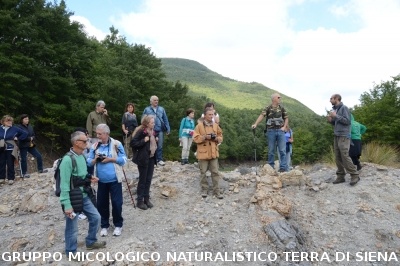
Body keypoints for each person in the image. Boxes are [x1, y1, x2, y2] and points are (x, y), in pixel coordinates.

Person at [59, 131, 105, 257]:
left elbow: (81, 175)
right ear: (76, 143)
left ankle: (91, 242)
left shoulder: (82, 156)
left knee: (96, 217)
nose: (87, 143)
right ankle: (71, 252)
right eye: (85, 141)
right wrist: (66, 204)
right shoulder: (67, 160)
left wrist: (90, 178)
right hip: (72, 198)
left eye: (87, 140)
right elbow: (64, 184)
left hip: (84, 195)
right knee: (72, 227)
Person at [87, 124, 127, 237]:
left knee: (117, 203)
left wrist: (111, 159)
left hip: (115, 180)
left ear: (107, 133)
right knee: (101, 204)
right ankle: (104, 225)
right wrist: (95, 160)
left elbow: (124, 159)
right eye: (97, 133)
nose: (97, 135)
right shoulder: (94, 146)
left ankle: (118, 224)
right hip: (101, 181)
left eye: (100, 134)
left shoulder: (116, 144)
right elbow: (88, 161)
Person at [327, 94, 360, 185]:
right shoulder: (335, 109)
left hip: (344, 135)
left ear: (337, 99)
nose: (330, 100)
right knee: (337, 156)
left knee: (344, 155)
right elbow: (338, 123)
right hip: (337, 135)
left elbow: (347, 121)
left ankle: (354, 175)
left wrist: (335, 116)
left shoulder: (344, 108)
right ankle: (341, 176)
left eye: (331, 99)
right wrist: (331, 120)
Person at [251, 93, 288, 172]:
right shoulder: (268, 108)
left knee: (282, 150)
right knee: (271, 150)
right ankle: (271, 167)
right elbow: (262, 115)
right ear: (274, 98)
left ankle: (283, 167)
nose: (280, 99)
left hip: (280, 131)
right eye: (278, 97)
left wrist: (284, 127)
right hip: (271, 131)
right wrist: (256, 124)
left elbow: (286, 118)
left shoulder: (282, 108)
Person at [193, 107, 223, 199]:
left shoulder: (215, 126)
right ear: (205, 115)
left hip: (213, 152)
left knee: (215, 172)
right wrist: (205, 137)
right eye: (209, 114)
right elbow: (195, 138)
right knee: (203, 172)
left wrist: (217, 139)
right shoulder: (199, 126)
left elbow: (221, 136)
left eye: (212, 114)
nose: (211, 116)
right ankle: (204, 189)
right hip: (203, 153)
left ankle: (216, 191)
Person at [130, 115, 158, 210]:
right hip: (143, 158)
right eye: (152, 122)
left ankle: (146, 198)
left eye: (154, 122)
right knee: (143, 180)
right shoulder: (142, 131)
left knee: (148, 179)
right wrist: (143, 140)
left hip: (151, 157)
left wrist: (155, 140)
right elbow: (133, 143)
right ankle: (140, 201)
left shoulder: (152, 132)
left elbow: (151, 143)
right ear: (146, 123)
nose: (153, 124)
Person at [142, 95, 170, 166]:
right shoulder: (147, 109)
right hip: (150, 130)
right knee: (151, 145)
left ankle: (159, 159)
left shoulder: (161, 109)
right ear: (151, 101)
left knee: (160, 145)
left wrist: (168, 128)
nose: (156, 101)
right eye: (154, 100)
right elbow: (143, 120)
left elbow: (165, 119)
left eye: (157, 100)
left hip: (159, 129)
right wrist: (144, 129)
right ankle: (151, 160)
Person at [0, 115, 28, 185]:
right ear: (3, 122)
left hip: (11, 147)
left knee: (10, 163)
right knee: (1, 163)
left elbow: (25, 133)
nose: (9, 122)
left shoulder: (14, 128)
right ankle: (1, 178)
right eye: (7, 121)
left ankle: (11, 178)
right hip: (1, 147)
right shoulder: (0, 128)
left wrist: (18, 138)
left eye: (10, 121)